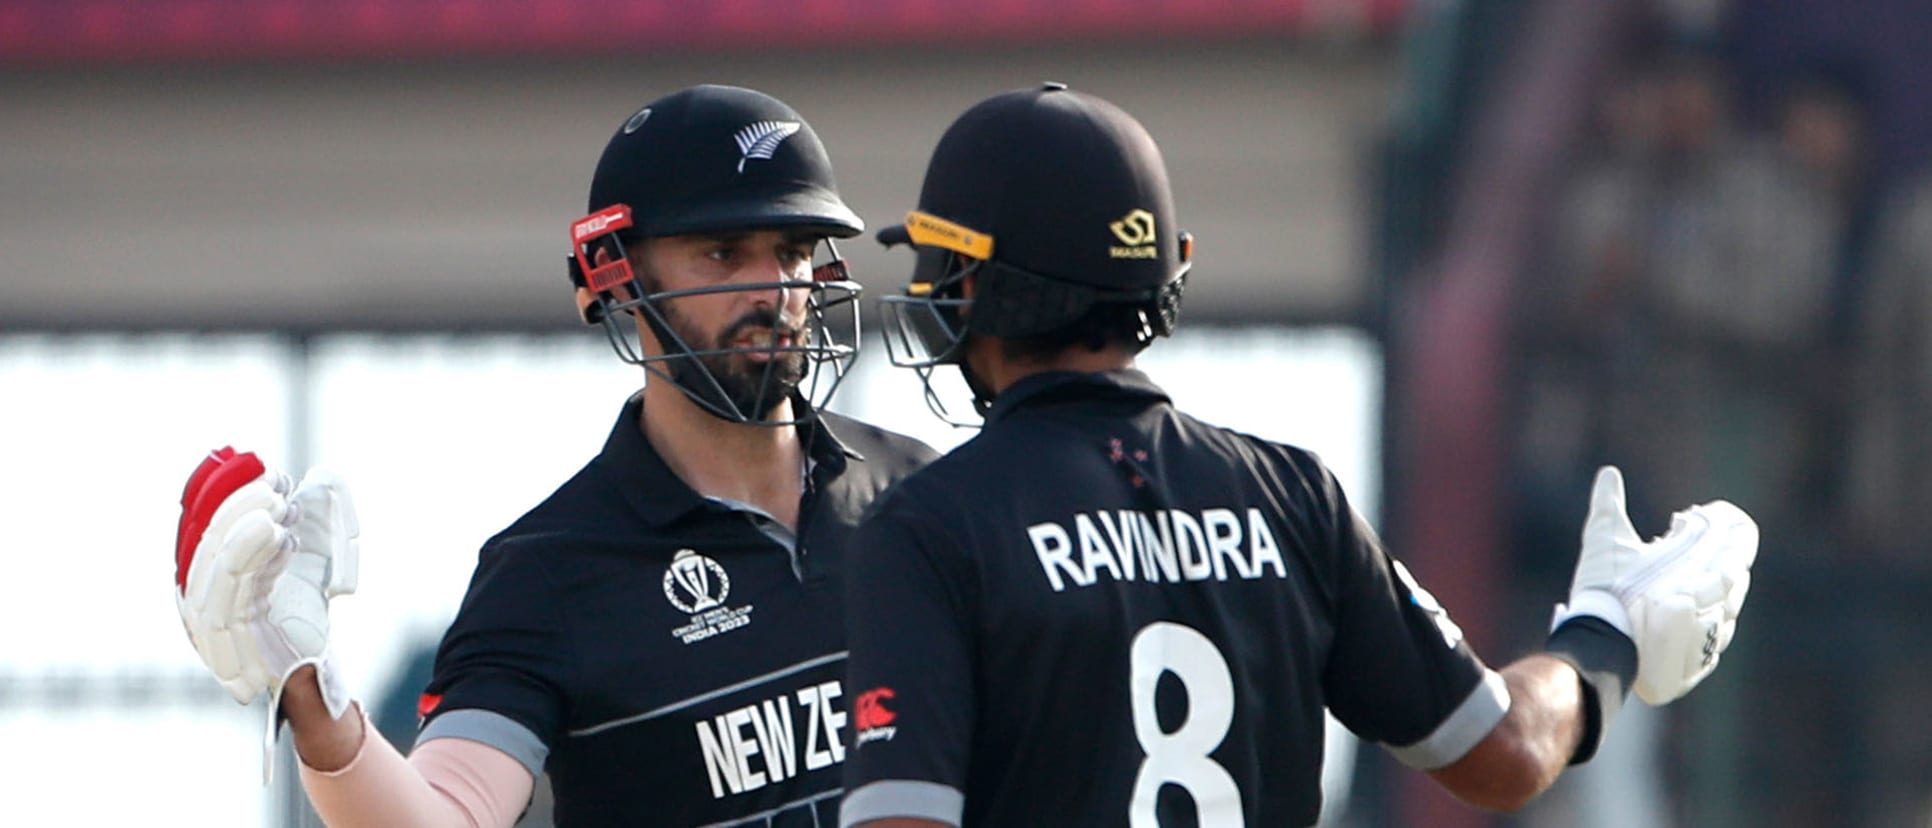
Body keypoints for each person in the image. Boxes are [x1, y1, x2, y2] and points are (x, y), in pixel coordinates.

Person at [835, 84, 1758, 827]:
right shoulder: (1293, 496)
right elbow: (1504, 753)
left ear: (979, 283)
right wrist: (1603, 640)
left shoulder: (928, 526)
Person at [170, 84, 937, 827]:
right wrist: (312, 694)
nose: (775, 289)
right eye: (723, 252)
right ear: (619, 276)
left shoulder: (921, 494)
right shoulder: (549, 573)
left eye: (794, 251)